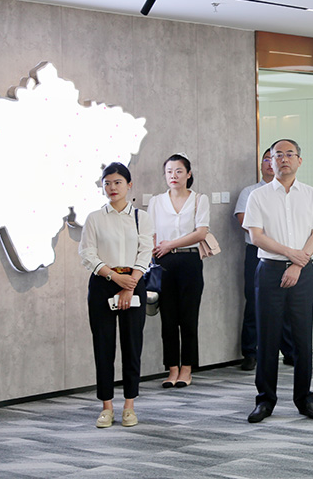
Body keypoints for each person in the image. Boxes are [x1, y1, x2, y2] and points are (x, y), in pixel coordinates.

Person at [243, 139, 313, 422]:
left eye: (289, 154)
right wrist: (290, 255)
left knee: (303, 339)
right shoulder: (258, 196)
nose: (283, 159)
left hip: (303, 273)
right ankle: (265, 400)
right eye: (277, 155)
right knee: (267, 338)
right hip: (269, 271)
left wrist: (297, 263)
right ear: (270, 161)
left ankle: (304, 399)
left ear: (299, 161)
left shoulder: (311, 194)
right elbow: (256, 236)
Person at [79, 162, 154, 428]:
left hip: (134, 282)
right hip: (103, 283)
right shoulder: (94, 218)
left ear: (129, 185)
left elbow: (145, 252)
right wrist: (113, 276)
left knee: (132, 345)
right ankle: (107, 407)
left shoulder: (142, 217)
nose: (112, 187)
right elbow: (87, 253)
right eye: (107, 183)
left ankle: (129, 406)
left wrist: (129, 284)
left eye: (118, 182)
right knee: (103, 346)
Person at [147, 154, 210, 388]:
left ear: (188, 174)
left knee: (189, 318)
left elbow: (201, 233)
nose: (173, 176)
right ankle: (172, 369)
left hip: (189, 261)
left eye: (179, 171)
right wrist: (152, 256)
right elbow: (151, 233)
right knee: (168, 319)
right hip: (163, 262)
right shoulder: (156, 201)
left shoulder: (199, 199)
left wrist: (170, 244)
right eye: (169, 171)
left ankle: (187, 369)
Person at [234, 149, 295, 371]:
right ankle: (250, 352)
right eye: (266, 159)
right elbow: (245, 222)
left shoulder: (290, 193)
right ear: (261, 165)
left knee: (287, 302)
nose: (270, 163)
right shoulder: (250, 192)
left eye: (274, 158)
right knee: (254, 301)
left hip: (287, 254)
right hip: (257, 253)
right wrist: (270, 237)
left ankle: (289, 351)